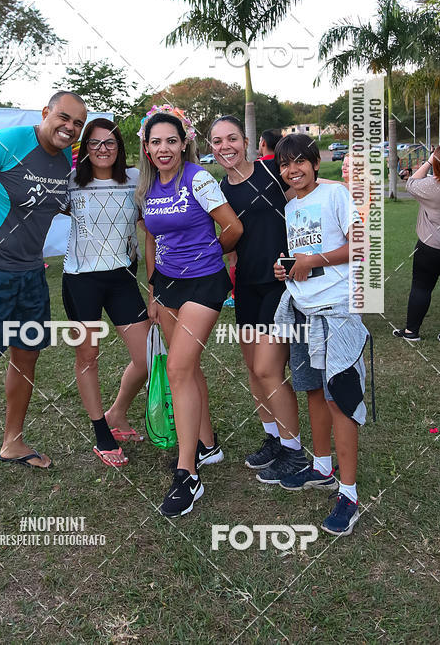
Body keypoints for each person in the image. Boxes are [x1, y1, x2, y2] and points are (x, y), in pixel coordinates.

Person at [0, 91, 87, 494]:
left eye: (78, 123)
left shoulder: (66, 162)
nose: (70, 127)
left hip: (31, 276)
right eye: (64, 117)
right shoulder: (5, 143)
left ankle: (12, 442)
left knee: (25, 360)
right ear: (46, 113)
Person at [137, 105, 243, 517]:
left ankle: (188, 475)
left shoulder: (198, 179)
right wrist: (153, 289)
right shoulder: (147, 190)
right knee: (190, 368)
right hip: (167, 286)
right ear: (146, 149)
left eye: (171, 141)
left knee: (179, 368)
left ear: (184, 145)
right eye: (156, 142)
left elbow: (233, 227)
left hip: (204, 283)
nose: (164, 149)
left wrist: (208, 254)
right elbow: (149, 239)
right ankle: (207, 445)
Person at [273, 133, 368, 537]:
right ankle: (322, 467)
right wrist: (288, 266)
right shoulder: (291, 204)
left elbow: (360, 243)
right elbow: (304, 256)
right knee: (312, 389)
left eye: (299, 162)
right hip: (304, 310)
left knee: (339, 397)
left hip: (337, 312)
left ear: (314, 162)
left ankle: (349, 494)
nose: (292, 170)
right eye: (285, 164)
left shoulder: (336, 194)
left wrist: (316, 259)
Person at [210, 116, 304, 477]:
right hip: (245, 284)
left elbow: (307, 194)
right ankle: (273, 439)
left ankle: (294, 451)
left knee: (268, 369)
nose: (225, 146)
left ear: (246, 141)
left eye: (231, 138)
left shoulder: (272, 173)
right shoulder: (219, 190)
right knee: (253, 368)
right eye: (217, 141)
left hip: (281, 285)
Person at [62, 118, 151, 467]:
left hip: (122, 279)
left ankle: (117, 413)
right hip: (81, 279)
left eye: (110, 143)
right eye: (95, 143)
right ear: (85, 149)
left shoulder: (135, 181)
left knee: (147, 358)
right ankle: (101, 431)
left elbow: (150, 223)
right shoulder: (70, 184)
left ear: (119, 148)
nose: (103, 149)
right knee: (88, 356)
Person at [393, 145, 440, 346]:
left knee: (421, 288)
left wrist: (430, 160)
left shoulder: (431, 186)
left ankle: (412, 331)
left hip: (429, 247)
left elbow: (411, 182)